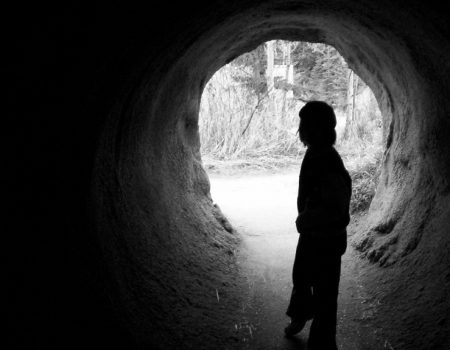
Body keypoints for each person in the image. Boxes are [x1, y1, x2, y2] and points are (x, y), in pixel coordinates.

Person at [284, 101, 352, 350]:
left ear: (316, 129)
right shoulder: (316, 152)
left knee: (325, 294)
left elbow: (335, 206)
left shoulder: (327, 161)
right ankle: (300, 316)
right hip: (314, 235)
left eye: (304, 125)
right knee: (301, 276)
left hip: (327, 239)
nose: (299, 129)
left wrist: (306, 219)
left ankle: (322, 343)